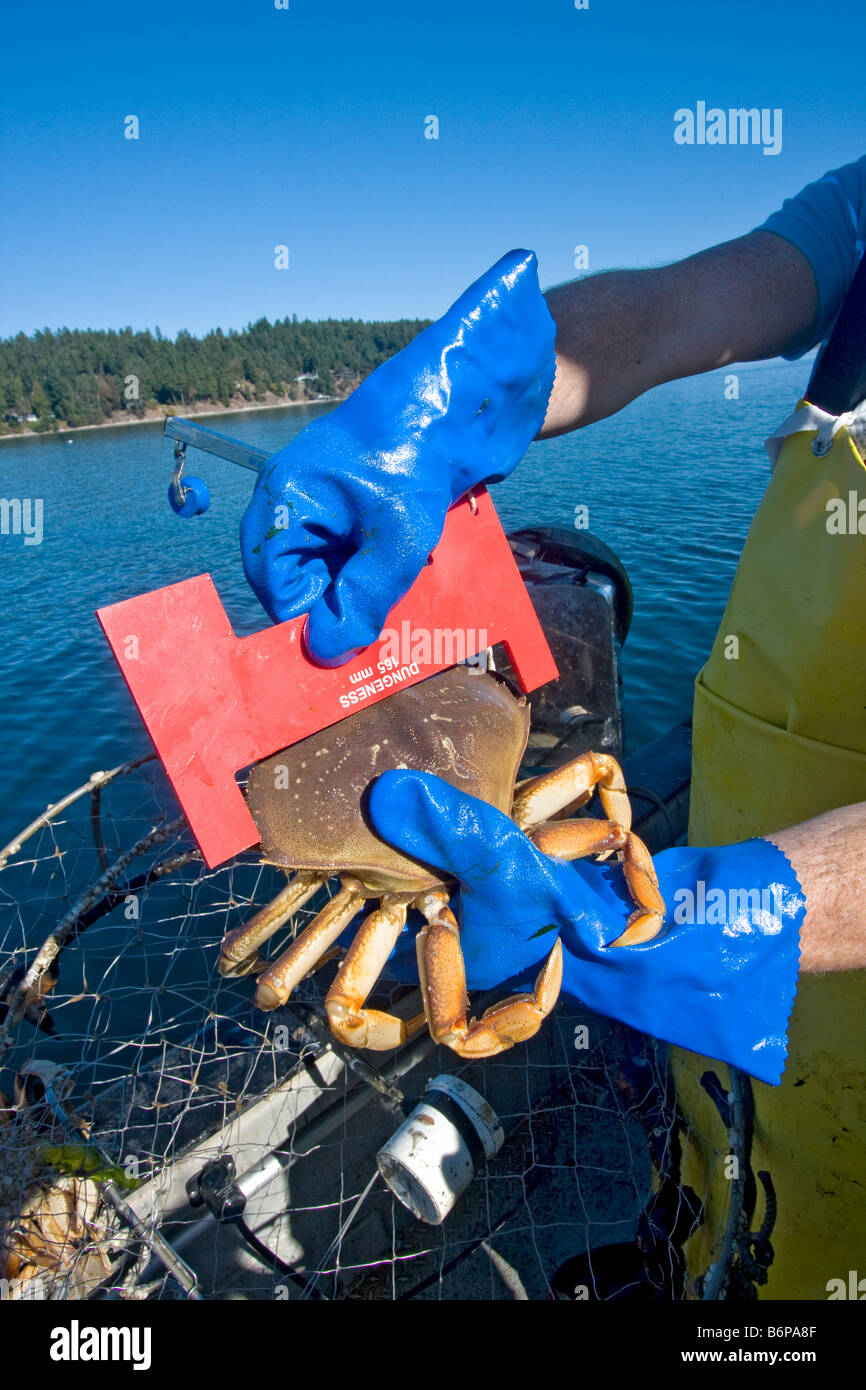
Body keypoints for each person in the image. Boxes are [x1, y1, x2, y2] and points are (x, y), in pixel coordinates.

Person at [240, 157, 866, 1297]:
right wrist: (467, 396)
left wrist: (681, 921)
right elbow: (670, 309)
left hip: (826, 966)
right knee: (714, 1178)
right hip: (730, 842)